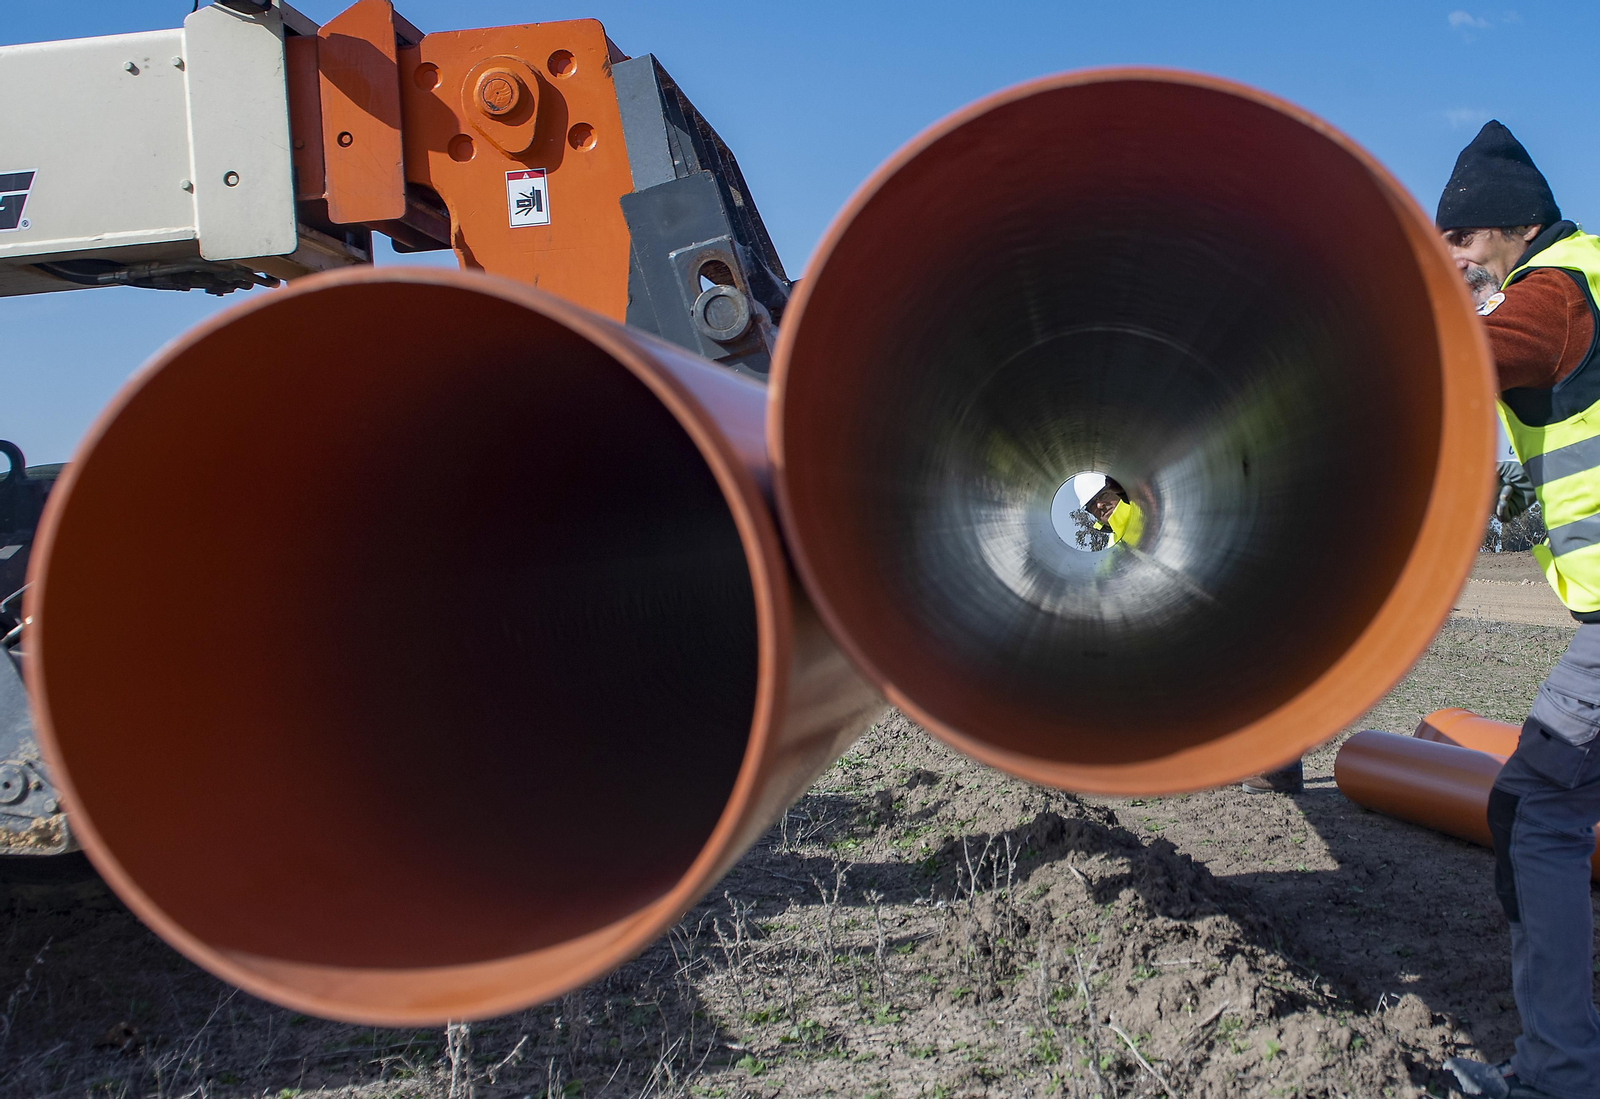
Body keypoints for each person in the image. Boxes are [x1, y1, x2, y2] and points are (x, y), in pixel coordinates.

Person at [1435, 121, 1600, 1099]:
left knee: (1535, 806)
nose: (1451, 257)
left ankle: (1556, 1076)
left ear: (1508, 228)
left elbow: (1479, 356)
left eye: (1458, 240)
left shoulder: (1559, 291)